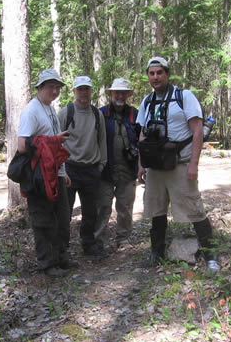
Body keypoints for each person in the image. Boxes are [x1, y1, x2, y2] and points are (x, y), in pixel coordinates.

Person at [136, 57, 221, 274]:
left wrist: (194, 164)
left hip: (180, 164)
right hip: (155, 167)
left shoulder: (184, 97)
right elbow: (142, 135)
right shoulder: (147, 102)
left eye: (159, 73)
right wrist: (141, 164)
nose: (155, 77)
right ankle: (157, 253)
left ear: (167, 74)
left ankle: (211, 255)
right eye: (151, 73)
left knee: (194, 209)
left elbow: (198, 131)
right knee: (156, 211)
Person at [17, 68, 77, 278]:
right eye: (50, 87)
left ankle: (61, 256)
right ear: (40, 87)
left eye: (57, 87)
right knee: (43, 219)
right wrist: (54, 141)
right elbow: (23, 145)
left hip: (55, 173)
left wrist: (63, 172)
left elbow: (54, 146)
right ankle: (46, 263)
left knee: (62, 217)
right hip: (38, 175)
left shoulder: (50, 109)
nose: (54, 91)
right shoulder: (31, 111)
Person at [58, 76, 108, 258]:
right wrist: (60, 169)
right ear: (74, 91)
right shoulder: (65, 113)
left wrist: (101, 164)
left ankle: (89, 245)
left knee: (90, 212)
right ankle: (62, 249)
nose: (83, 92)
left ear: (91, 91)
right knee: (65, 212)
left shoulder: (97, 114)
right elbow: (56, 142)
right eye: (80, 89)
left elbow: (102, 140)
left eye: (86, 89)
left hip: (91, 169)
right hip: (69, 168)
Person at [96, 78, 140, 251]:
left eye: (123, 93)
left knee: (125, 208)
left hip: (128, 171)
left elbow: (142, 141)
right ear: (111, 94)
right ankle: (98, 241)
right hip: (104, 171)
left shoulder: (135, 115)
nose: (120, 96)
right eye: (117, 93)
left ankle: (123, 240)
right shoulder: (100, 114)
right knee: (102, 207)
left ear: (128, 95)